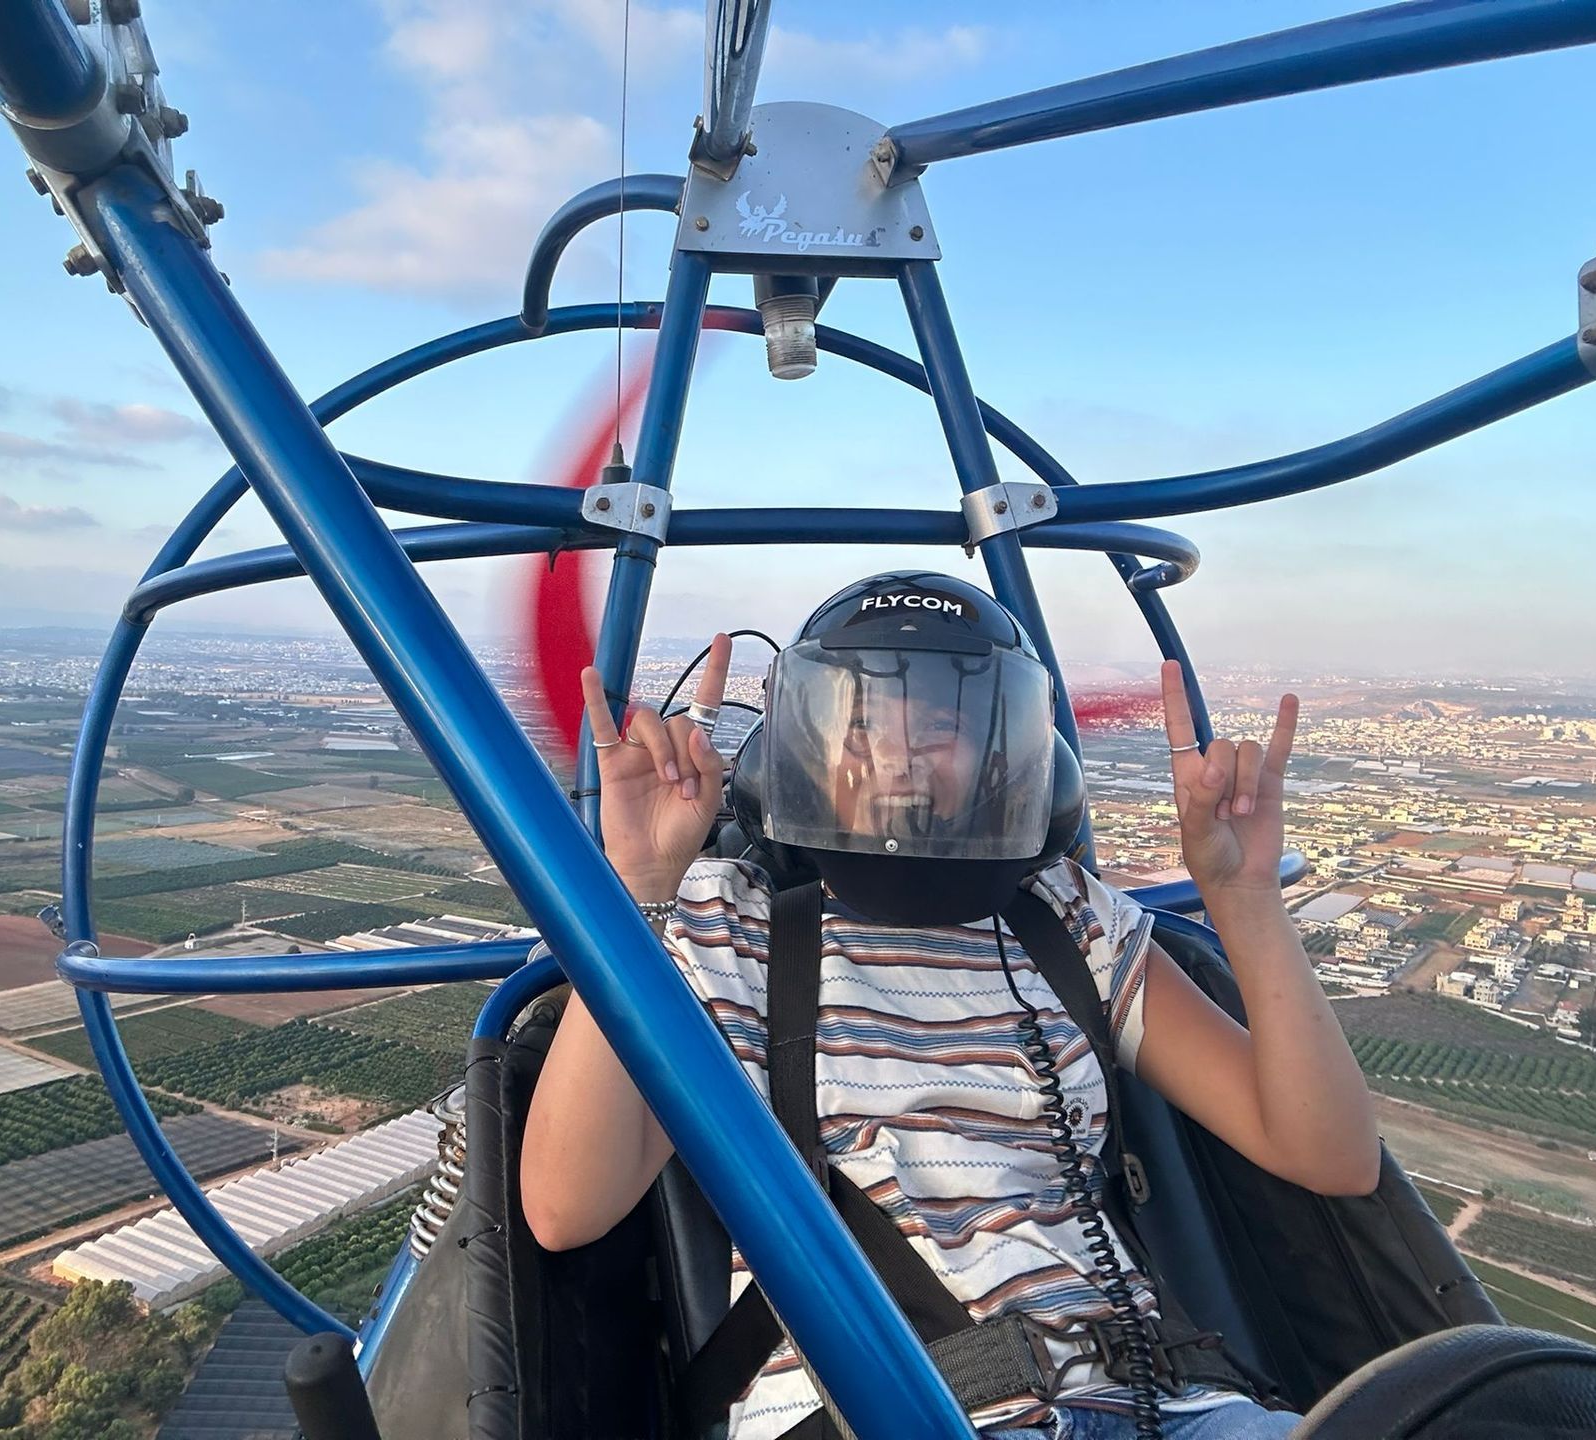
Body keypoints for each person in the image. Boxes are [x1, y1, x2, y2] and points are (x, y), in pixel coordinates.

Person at [523, 572, 1379, 1440]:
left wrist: (1244, 896)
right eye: (862, 725)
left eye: (939, 724)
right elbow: (565, 1209)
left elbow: (1330, 1155)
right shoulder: (725, 925)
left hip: (1157, 1404)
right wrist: (637, 891)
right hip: (874, 1410)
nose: (900, 756)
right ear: (805, 747)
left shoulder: (1068, 918)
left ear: (1005, 753)